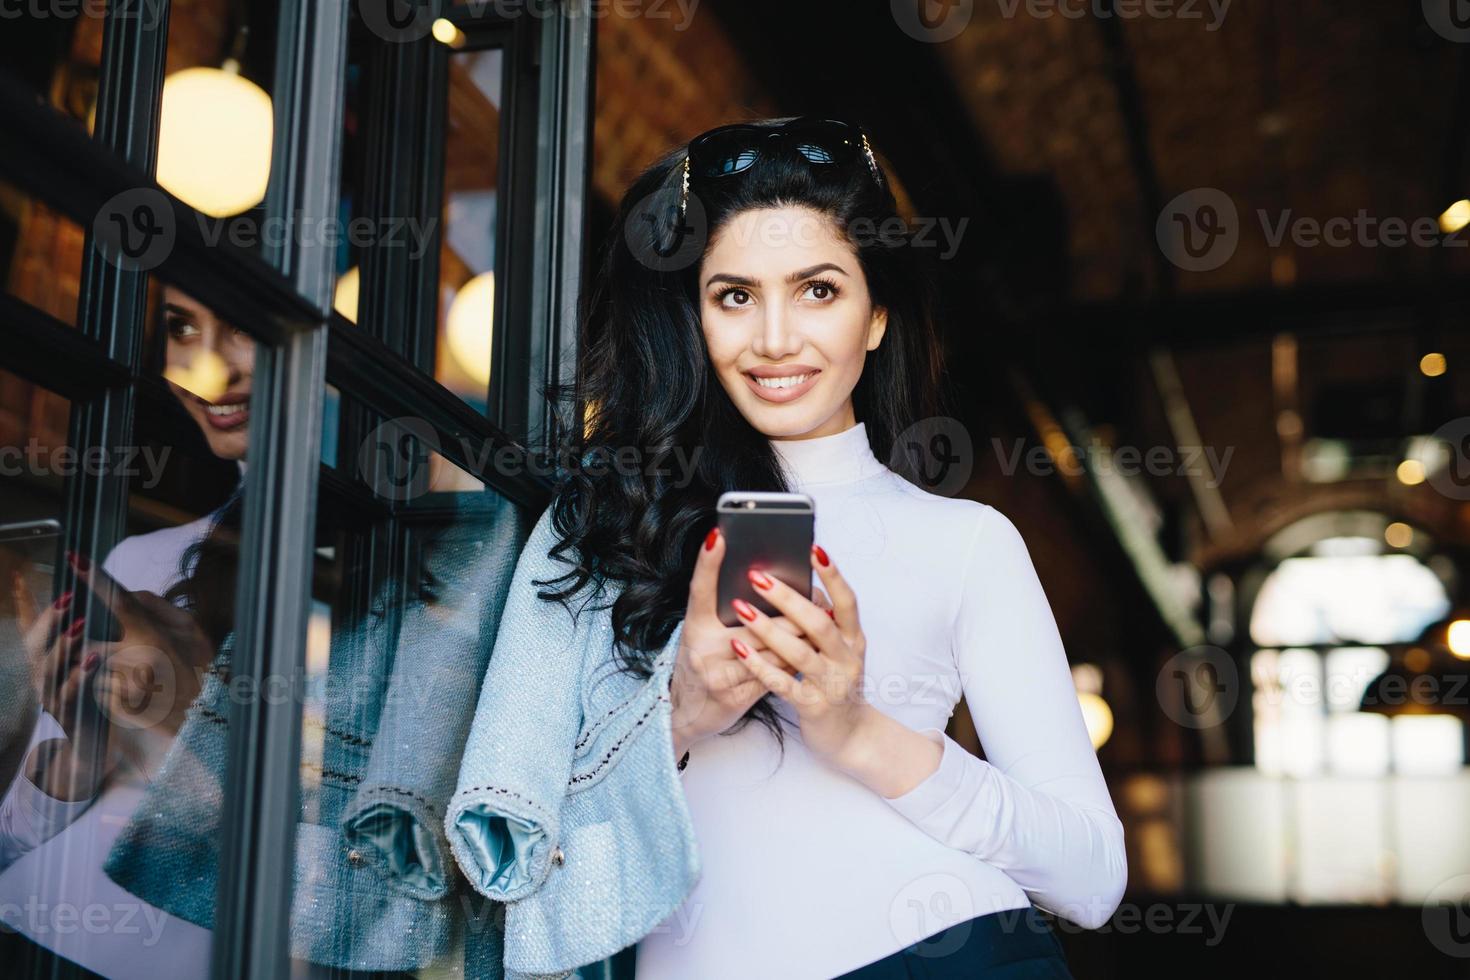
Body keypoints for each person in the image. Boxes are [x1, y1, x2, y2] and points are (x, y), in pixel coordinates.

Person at [447, 116, 1125, 980]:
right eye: (734, 295)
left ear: (877, 314)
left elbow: (1092, 878)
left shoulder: (969, 543)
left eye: (818, 291)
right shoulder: (597, 527)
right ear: (695, 313)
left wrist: (854, 730)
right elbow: (509, 828)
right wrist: (683, 708)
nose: (775, 339)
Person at [0, 284, 247, 978]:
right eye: (181, 328)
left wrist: (177, 723)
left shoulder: (373, 578)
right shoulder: (142, 561)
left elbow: (340, 884)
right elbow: (11, 847)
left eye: (241, 328)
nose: (209, 369)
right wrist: (78, 755)